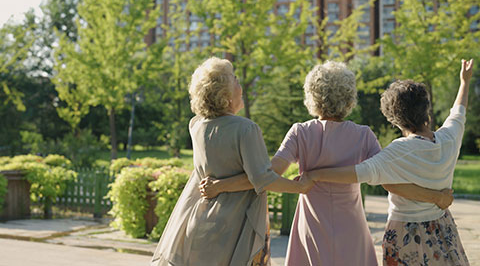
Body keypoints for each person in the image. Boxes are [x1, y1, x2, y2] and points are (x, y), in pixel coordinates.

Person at [199, 61, 453, 266]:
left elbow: (266, 175)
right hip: (351, 225)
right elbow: (391, 183)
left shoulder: (300, 132)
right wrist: (435, 196)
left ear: (312, 96)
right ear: (349, 96)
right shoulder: (363, 134)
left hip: (311, 225)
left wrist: (222, 186)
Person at [303, 59, 474, 265]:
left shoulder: (398, 150)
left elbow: (359, 172)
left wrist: (316, 174)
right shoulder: (449, 139)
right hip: (443, 228)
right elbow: (458, 112)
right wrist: (464, 81)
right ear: (426, 109)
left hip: (405, 234)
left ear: (393, 119)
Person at [150, 57, 314, 266]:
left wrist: (218, 186)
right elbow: (262, 179)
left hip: (198, 221)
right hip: (235, 228)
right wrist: (300, 187)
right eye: (235, 80)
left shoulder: (197, 126)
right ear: (225, 97)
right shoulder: (246, 129)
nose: (240, 85)